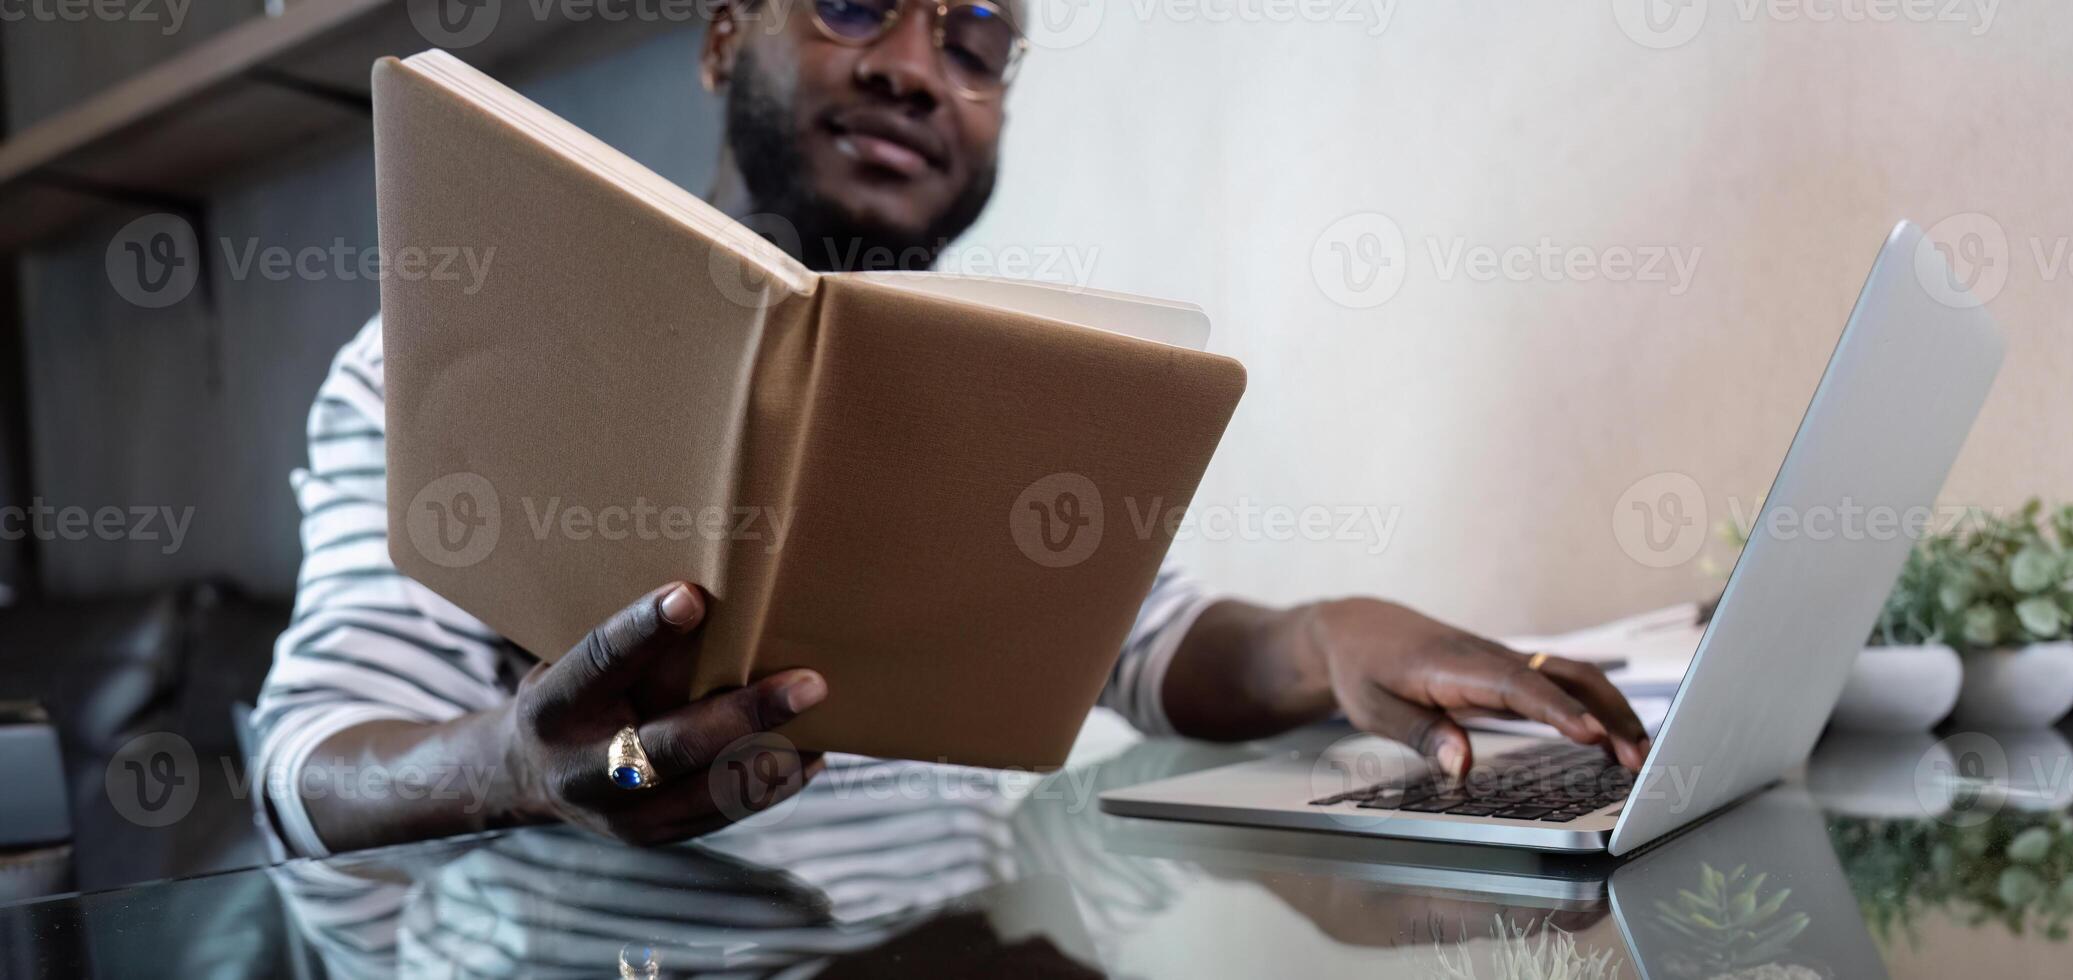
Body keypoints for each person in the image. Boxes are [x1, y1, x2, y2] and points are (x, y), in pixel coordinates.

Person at [249, 0, 1649, 858]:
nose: (921, 67)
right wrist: (513, 767)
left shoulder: (1000, 387)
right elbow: (309, 767)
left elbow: (1146, 648)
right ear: (728, 30)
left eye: (978, 37)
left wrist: (1327, 633)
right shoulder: (437, 357)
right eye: (860, 3)